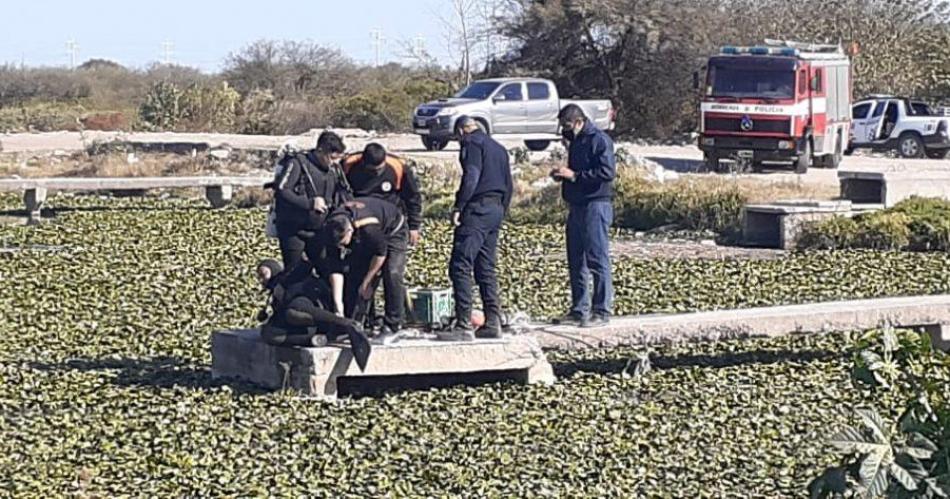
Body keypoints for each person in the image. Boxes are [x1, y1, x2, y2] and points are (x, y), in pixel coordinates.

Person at [440, 116, 513, 342]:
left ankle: (463, 324)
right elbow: (509, 184)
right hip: (496, 208)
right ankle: (493, 321)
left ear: (462, 131)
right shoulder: (499, 148)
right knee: (485, 267)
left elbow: (471, 176)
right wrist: (502, 210)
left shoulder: (472, 144)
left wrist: (459, 206)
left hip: (478, 208)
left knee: (460, 264)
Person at [343, 143, 423, 335]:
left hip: (393, 225)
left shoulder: (397, 167)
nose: (376, 173)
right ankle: (363, 319)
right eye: (373, 170)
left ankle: (393, 322)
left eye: (380, 169)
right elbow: (341, 193)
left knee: (392, 272)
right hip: (363, 224)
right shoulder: (349, 166)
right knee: (358, 271)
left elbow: (413, 197)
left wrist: (414, 226)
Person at [550, 104, 616, 328]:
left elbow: (607, 172)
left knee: (597, 258)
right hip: (576, 205)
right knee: (576, 259)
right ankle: (579, 309)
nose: (564, 130)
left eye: (567, 125)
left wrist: (576, 175)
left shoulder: (599, 140)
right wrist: (563, 176)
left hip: (595, 205)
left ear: (579, 122)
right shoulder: (575, 140)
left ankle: (601, 310)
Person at [256, 251, 371, 371]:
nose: (261, 279)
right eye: (259, 276)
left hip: (312, 306)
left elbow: (303, 267)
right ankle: (319, 339)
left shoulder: (287, 278)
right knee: (268, 334)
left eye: (263, 274)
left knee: (293, 310)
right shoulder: (273, 293)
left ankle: (347, 323)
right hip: (305, 327)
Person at [322, 197, 406, 344]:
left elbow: (381, 254)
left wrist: (368, 281)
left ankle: (393, 325)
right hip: (365, 233)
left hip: (393, 229)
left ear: (349, 230)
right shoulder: (331, 227)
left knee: (392, 273)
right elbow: (335, 269)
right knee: (354, 273)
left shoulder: (368, 228)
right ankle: (353, 321)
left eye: (343, 243)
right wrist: (338, 304)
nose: (342, 247)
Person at [271, 131, 350, 269]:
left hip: (320, 230)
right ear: (320, 151)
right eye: (332, 158)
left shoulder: (335, 169)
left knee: (329, 268)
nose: (335, 162)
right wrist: (310, 203)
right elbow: (282, 190)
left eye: (338, 158)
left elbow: (344, 192)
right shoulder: (298, 163)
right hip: (294, 230)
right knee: (294, 271)